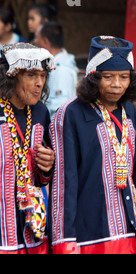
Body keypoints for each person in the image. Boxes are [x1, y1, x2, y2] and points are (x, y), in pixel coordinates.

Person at [50, 36, 136, 254]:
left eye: (124, 77)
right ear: (93, 76)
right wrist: (65, 241)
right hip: (88, 236)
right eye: (108, 76)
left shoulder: (129, 111)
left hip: (130, 230)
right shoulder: (70, 114)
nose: (116, 84)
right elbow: (64, 182)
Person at [0, 42, 56, 254]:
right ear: (11, 76)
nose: (39, 83)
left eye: (43, 76)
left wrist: (47, 165)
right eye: (31, 75)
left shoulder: (41, 113)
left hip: (33, 229)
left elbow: (42, 178)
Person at [34, 21, 78, 118]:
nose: (34, 42)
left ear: (45, 42)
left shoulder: (61, 71)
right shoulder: (53, 65)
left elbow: (58, 111)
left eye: (37, 38)